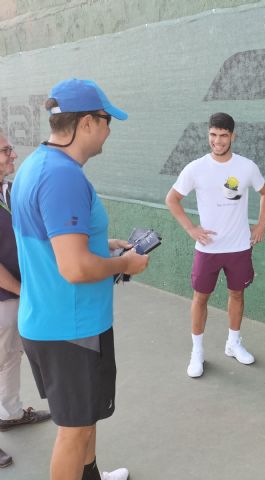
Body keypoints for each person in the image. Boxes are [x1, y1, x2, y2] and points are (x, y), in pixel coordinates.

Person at [11, 79, 149, 480]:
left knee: (85, 419)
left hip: (57, 322)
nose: (109, 130)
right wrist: (125, 264)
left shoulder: (36, 165)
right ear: (87, 122)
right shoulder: (63, 176)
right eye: (107, 121)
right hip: (69, 329)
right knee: (73, 432)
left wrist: (102, 245)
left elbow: (54, 243)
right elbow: (73, 268)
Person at [165, 112, 265, 377]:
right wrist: (191, 228)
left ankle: (233, 344)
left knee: (237, 294)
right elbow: (172, 199)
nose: (218, 140)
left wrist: (260, 225)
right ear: (208, 135)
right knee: (200, 298)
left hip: (239, 248)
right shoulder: (195, 168)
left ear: (232, 136)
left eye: (223, 135)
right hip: (208, 249)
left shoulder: (247, 167)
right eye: (213, 135)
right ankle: (197, 352)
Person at [0, 134, 51, 470]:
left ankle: (10, 412)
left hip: (16, 296)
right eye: (5, 151)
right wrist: (23, 290)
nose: (13, 154)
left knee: (10, 357)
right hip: (8, 295)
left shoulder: (8, 189)